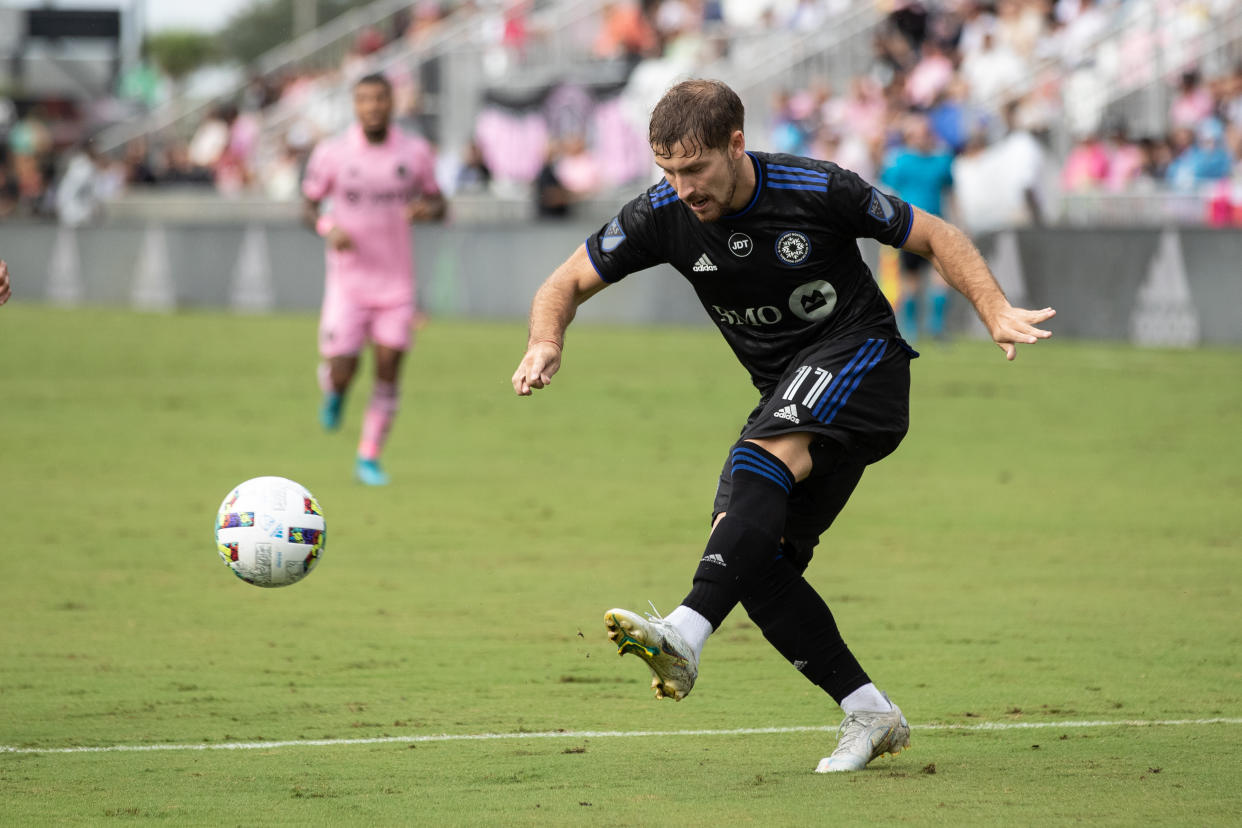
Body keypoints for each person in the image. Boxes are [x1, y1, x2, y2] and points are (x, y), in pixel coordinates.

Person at [510, 79, 1054, 773]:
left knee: (763, 463)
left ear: (736, 144)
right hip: (787, 393)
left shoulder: (817, 188)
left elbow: (933, 234)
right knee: (750, 556)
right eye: (668, 171)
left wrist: (994, 309)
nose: (682, 187)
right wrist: (546, 341)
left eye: (695, 168)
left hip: (865, 361)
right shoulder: (660, 212)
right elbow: (562, 285)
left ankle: (684, 631)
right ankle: (870, 713)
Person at [302, 73, 445, 486]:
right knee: (344, 368)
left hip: (396, 286)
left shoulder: (415, 153)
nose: (373, 106)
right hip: (347, 284)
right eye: (364, 99)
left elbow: (438, 201)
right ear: (355, 105)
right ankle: (334, 390)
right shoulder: (332, 154)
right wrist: (328, 227)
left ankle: (368, 456)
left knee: (387, 368)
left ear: (391, 103)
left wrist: (426, 210)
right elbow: (308, 205)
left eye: (380, 99)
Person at [880, 112, 956, 341]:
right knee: (910, 278)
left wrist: (958, 223)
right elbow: (886, 192)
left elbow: (951, 194)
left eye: (926, 133)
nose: (923, 138)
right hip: (909, 227)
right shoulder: (901, 161)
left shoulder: (942, 160)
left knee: (942, 276)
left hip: (937, 225)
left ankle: (936, 325)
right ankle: (911, 327)